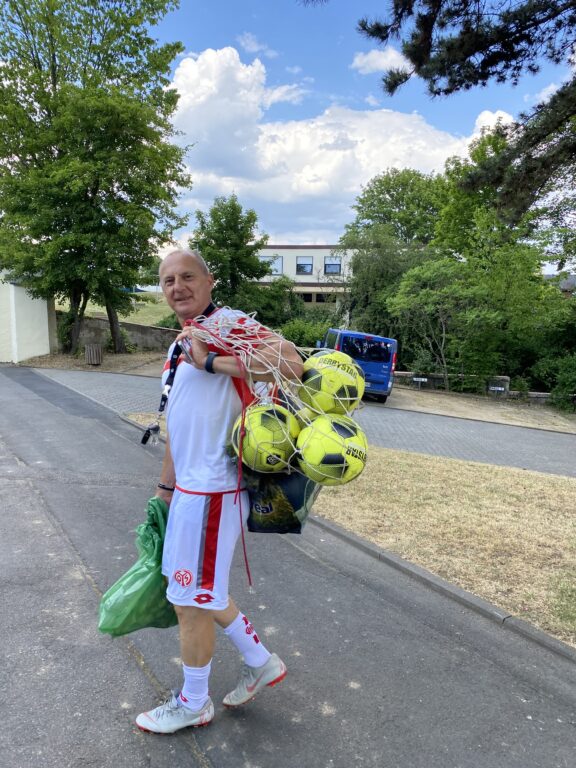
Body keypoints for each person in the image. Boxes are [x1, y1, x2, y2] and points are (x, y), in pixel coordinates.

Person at [136, 248, 303, 734]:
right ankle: (260, 660)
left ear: (210, 281)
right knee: (196, 589)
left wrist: (213, 365)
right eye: (167, 280)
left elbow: (292, 363)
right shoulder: (178, 342)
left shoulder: (227, 323)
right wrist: (164, 490)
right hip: (189, 490)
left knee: (189, 599)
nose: (177, 287)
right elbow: (178, 420)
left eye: (187, 276)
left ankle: (193, 702)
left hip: (215, 489)